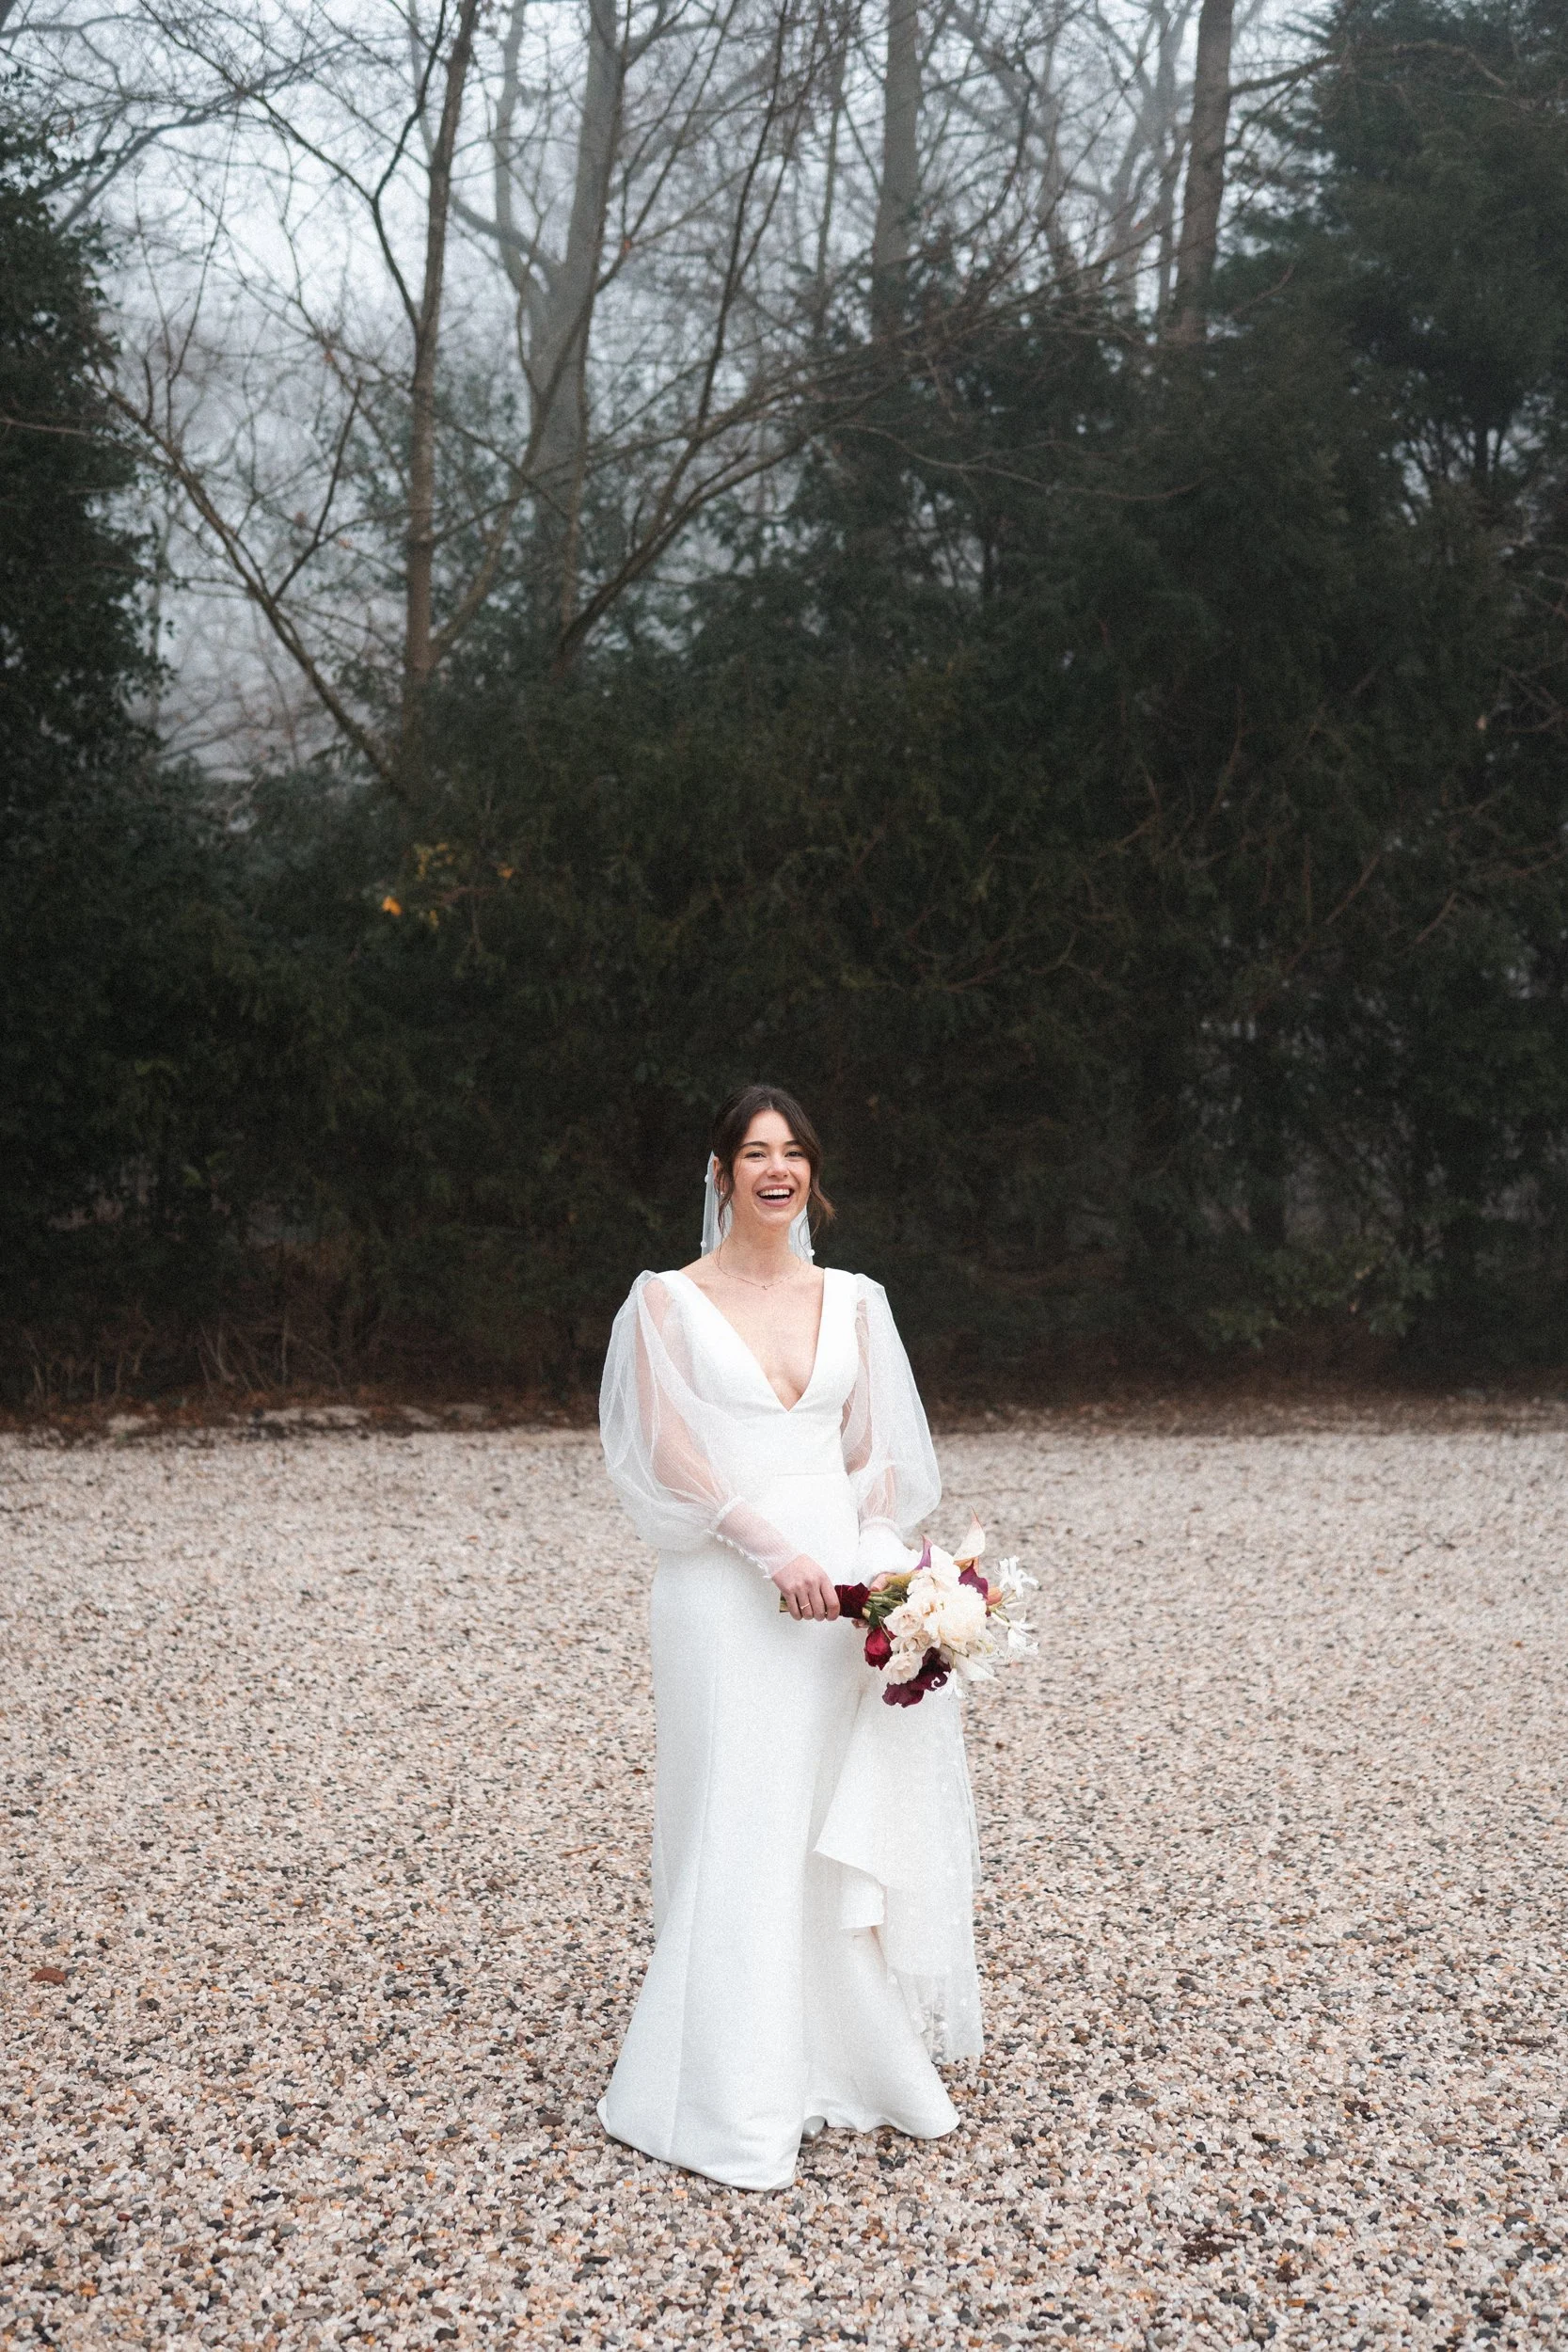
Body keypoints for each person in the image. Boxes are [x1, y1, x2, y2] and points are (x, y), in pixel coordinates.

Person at [596, 1083, 982, 2191]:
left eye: (794, 1152)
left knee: (819, 1816)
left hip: (840, 1592)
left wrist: (874, 1556)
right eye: (754, 1152)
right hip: (727, 1586)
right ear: (719, 1175)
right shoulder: (663, 1300)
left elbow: (880, 1458)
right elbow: (666, 1453)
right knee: (739, 1811)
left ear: (810, 1173)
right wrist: (771, 1548)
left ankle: (845, 2055)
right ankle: (723, 2087)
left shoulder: (856, 1298)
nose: (777, 1168)